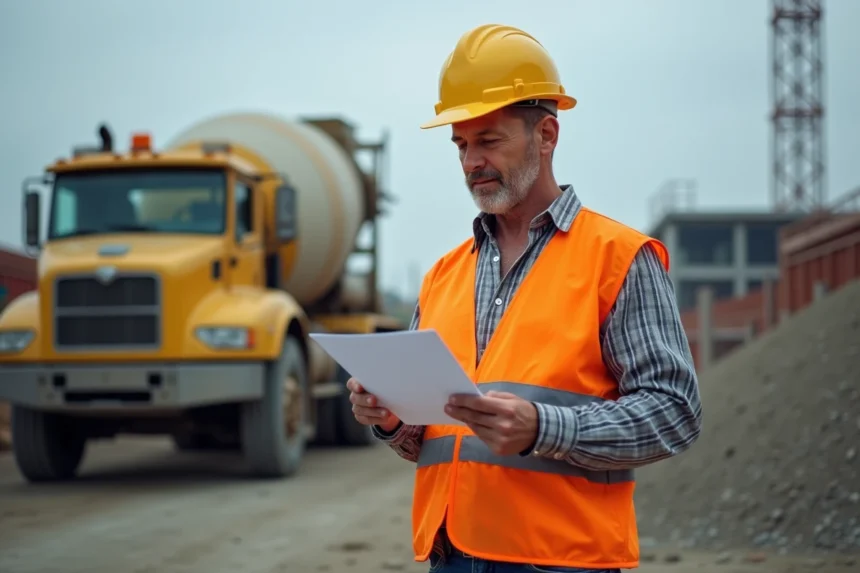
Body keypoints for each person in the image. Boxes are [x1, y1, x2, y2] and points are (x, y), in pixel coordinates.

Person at [346, 23, 702, 573]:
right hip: (453, 555)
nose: (471, 162)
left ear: (547, 135)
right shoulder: (444, 274)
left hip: (560, 559)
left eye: (489, 140)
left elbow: (676, 412)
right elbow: (433, 443)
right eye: (461, 145)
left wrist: (545, 428)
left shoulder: (619, 259)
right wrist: (392, 421)